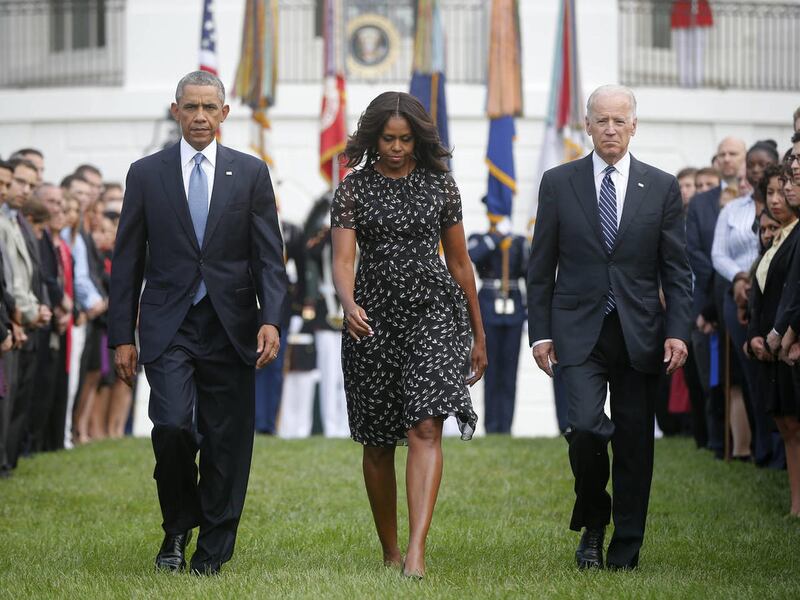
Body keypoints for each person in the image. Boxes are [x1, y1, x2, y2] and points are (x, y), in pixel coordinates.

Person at [108, 70, 288, 575]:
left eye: (210, 108)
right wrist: (121, 335)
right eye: (191, 107)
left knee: (227, 441)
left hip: (232, 325)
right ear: (176, 111)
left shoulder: (250, 173)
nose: (201, 117)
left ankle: (212, 550)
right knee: (171, 427)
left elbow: (269, 258)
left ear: (225, 113)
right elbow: (127, 261)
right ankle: (176, 526)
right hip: (169, 326)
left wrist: (271, 319)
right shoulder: (146, 174)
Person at [527, 85, 692, 570]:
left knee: (636, 443)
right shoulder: (559, 182)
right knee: (583, 428)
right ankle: (595, 519)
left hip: (640, 332)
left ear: (634, 125)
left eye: (620, 121)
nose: (611, 129)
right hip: (577, 331)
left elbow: (676, 271)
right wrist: (540, 332)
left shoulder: (661, 187)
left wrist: (677, 330)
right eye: (602, 120)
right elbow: (541, 267)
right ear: (588, 124)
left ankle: (626, 550)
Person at [331, 91, 486, 578]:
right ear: (373, 138)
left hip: (434, 311)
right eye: (387, 139)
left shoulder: (442, 185)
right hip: (372, 316)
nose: (396, 148)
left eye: (404, 140)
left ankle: (416, 552)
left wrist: (478, 335)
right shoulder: (352, 190)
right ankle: (390, 549)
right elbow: (341, 261)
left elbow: (460, 263)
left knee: (424, 425)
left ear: (418, 139)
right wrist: (347, 302)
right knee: (377, 441)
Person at [712, 139, 780, 466]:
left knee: (777, 374)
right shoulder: (731, 209)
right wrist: (740, 278)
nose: (755, 170)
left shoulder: (782, 206)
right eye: (750, 164)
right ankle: (761, 447)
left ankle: (783, 450)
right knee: (751, 374)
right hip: (738, 297)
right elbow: (718, 254)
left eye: (762, 164)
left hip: (777, 297)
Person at [746, 163, 800, 515]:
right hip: (772, 345)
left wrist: (783, 333)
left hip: (789, 342)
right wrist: (755, 336)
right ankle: (796, 504)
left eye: (787, 188)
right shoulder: (776, 236)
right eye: (773, 192)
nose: (780, 198)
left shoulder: (795, 235)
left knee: (794, 423)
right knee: (786, 425)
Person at [468, 202, 528, 433]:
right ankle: (492, 425)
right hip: (489, 309)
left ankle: (506, 426)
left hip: (513, 311)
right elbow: (472, 254)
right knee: (490, 369)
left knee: (509, 372)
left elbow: (529, 271)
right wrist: (495, 237)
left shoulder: (518, 243)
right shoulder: (481, 238)